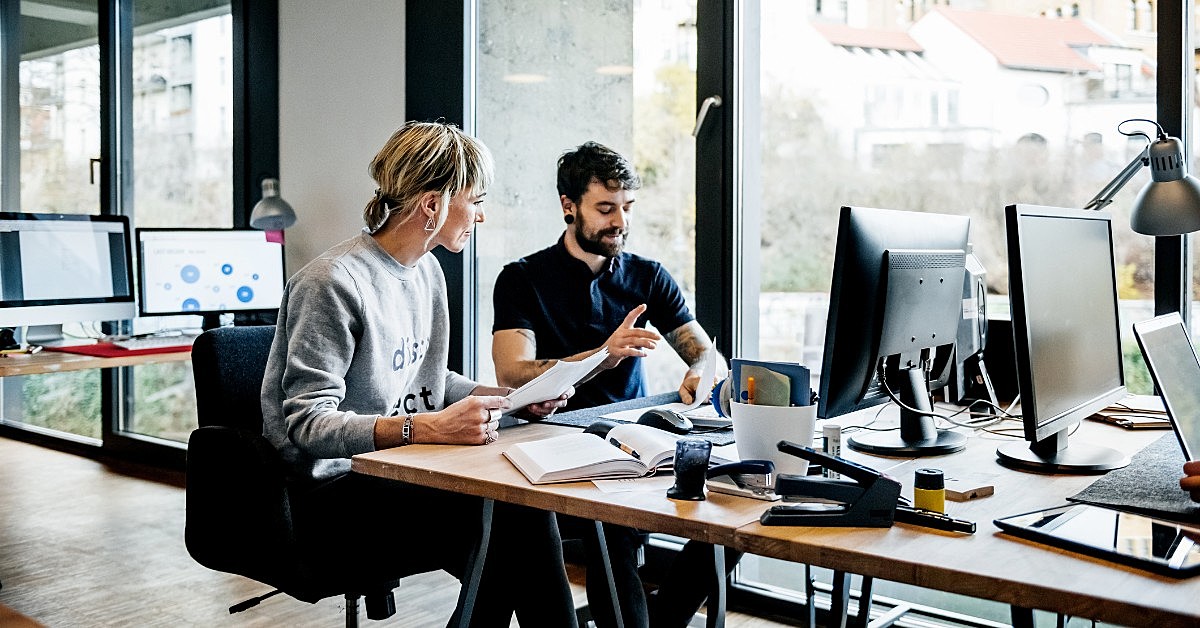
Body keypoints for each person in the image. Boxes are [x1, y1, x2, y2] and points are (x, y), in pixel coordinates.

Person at [261, 121, 577, 627]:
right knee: (510, 518)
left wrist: (505, 397)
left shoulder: (426, 271)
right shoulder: (331, 283)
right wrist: (423, 428)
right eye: (475, 199)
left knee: (516, 517)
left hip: (405, 470)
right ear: (432, 205)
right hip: (331, 493)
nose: (481, 213)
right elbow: (307, 424)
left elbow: (424, 380)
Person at [491, 141, 739, 628]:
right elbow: (511, 373)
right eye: (605, 208)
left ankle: (661, 621)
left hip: (635, 439)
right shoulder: (522, 279)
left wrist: (699, 372)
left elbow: (705, 351)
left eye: (627, 208)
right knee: (616, 526)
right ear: (569, 206)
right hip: (553, 441)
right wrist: (604, 355)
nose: (620, 221)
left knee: (732, 512)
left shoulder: (648, 276)